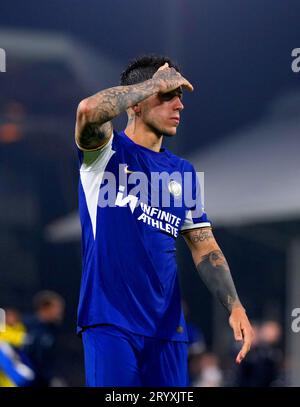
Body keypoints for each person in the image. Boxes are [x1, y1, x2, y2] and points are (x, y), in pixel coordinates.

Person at [75, 54, 254, 387]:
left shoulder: (183, 172)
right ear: (137, 104)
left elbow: (205, 249)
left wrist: (235, 305)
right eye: (167, 96)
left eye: (180, 97)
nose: (179, 105)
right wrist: (154, 83)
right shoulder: (104, 152)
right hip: (110, 324)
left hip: (168, 333)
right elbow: (88, 110)